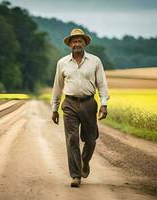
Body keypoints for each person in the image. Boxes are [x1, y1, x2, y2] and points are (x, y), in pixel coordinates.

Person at [51, 28, 109, 187]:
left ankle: (85, 161)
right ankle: (76, 176)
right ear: (70, 44)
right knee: (72, 140)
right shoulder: (62, 63)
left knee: (90, 140)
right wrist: (54, 108)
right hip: (69, 104)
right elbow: (58, 87)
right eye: (74, 41)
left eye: (80, 40)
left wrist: (104, 104)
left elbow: (102, 84)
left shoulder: (95, 61)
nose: (77, 43)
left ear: (85, 43)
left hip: (89, 103)